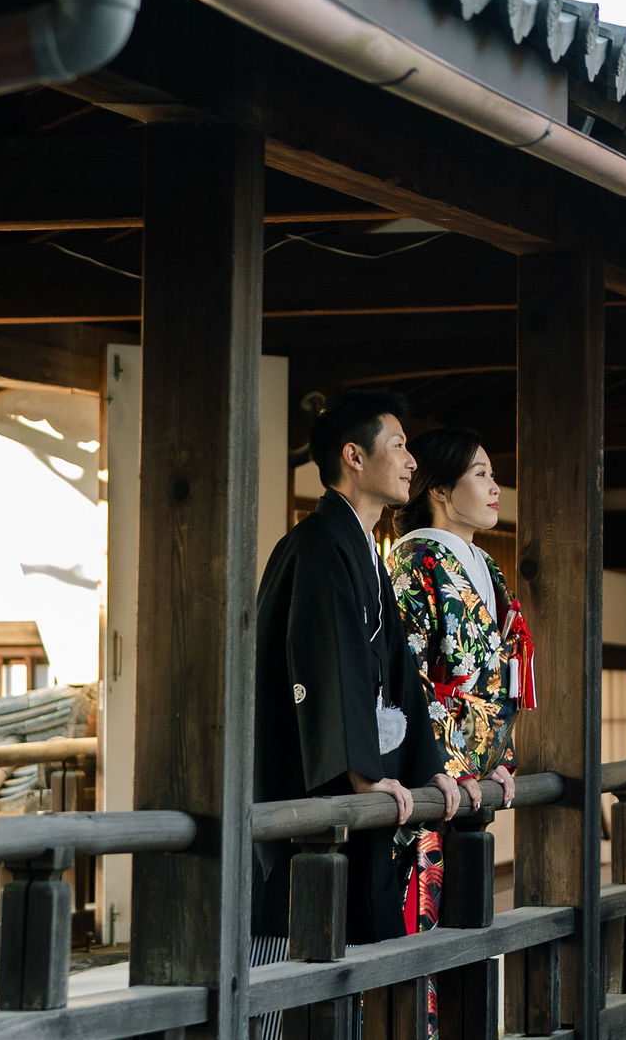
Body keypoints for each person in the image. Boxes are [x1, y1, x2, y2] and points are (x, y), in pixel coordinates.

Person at [250, 388, 461, 950]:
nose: (411, 460)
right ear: (354, 457)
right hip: (316, 780)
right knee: (300, 944)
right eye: (399, 445)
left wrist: (427, 767)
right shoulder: (318, 546)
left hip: (357, 778)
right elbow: (326, 666)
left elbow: (399, 668)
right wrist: (364, 774)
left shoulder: (365, 548)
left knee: (359, 944)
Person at [387, 427, 528, 938]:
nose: (495, 488)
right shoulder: (414, 559)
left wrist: (498, 761)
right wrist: (439, 764)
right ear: (439, 491)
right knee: (421, 923)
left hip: (473, 776)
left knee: (467, 929)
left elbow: (497, 676)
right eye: (481, 474)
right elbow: (409, 672)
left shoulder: (485, 564)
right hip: (432, 777)